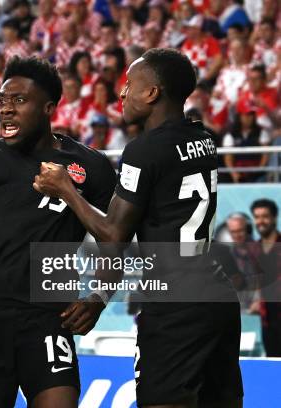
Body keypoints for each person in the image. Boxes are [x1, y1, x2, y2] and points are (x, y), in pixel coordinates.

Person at [33, 48, 243, 408]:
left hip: (175, 303)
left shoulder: (144, 150)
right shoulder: (202, 138)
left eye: (130, 85)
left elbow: (114, 234)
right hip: (217, 296)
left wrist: (65, 189)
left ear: (152, 93)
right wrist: (101, 294)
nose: (122, 94)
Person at [0, 56, 116, 408]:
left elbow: (115, 241)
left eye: (19, 101)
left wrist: (99, 297)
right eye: (2, 101)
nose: (6, 110)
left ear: (49, 108)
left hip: (51, 318)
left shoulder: (93, 166)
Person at [250, 199, 281, 357]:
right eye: (257, 216)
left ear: (275, 218)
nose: (260, 221)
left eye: (265, 216)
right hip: (267, 320)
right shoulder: (254, 248)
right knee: (273, 366)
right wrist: (256, 299)